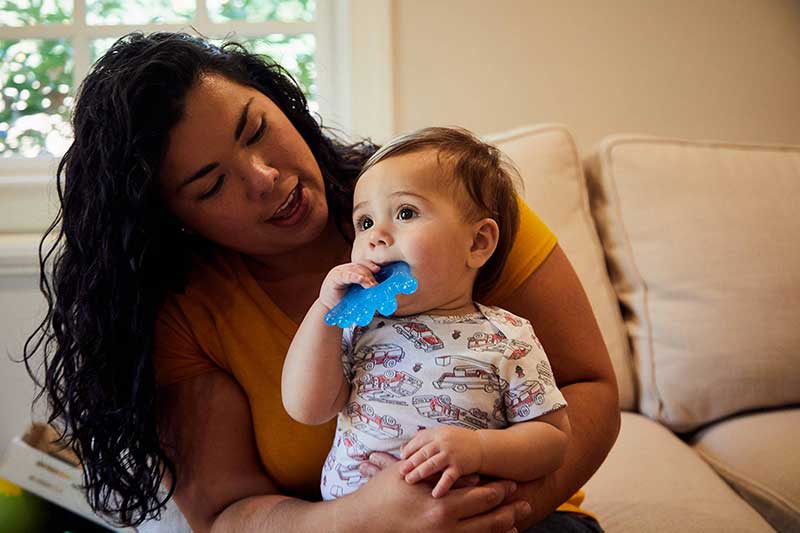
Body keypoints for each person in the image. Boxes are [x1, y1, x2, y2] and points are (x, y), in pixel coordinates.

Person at [22, 32, 619, 532]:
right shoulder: (192, 312)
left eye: (256, 130)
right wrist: (367, 520)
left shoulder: (449, 205)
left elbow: (586, 385)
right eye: (210, 185)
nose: (263, 178)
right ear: (173, 218)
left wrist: (490, 515)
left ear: (283, 102)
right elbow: (229, 511)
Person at [282, 127, 571, 503]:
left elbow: (553, 441)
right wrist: (325, 310)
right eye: (365, 222)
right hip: (355, 521)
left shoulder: (508, 337)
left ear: (477, 243)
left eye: (405, 212)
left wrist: (479, 449)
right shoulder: (359, 326)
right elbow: (307, 408)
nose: (376, 236)